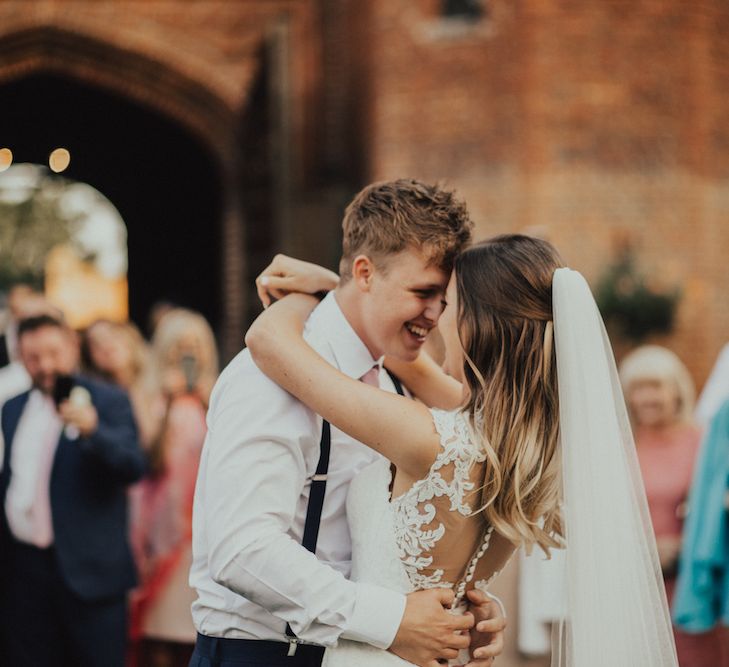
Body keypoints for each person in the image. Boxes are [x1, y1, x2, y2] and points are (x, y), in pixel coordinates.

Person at [246, 233, 679, 666]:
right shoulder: (526, 448)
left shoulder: (429, 437)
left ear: (476, 323)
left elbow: (267, 342)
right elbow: (408, 361)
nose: (435, 317)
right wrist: (343, 288)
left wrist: (300, 298)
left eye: (449, 305)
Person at [189, 179, 504, 667]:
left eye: (443, 300)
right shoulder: (271, 374)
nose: (435, 316)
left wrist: (460, 613)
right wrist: (392, 620)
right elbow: (242, 548)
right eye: (423, 292)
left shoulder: (398, 378)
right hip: (266, 655)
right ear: (364, 273)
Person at [0, 314, 146, 666]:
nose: (46, 365)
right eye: (34, 357)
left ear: (72, 347)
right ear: (20, 356)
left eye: (53, 352)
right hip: (24, 574)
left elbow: (133, 467)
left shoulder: (109, 400)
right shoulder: (13, 407)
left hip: (90, 577)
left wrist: (95, 431)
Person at [620, 345, 723, 666]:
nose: (646, 398)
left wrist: (683, 547)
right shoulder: (622, 444)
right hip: (634, 580)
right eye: (638, 388)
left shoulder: (704, 442)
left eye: (655, 387)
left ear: (677, 392)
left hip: (690, 581)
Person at [131, 308, 218, 667]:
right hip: (162, 530)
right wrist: (166, 404)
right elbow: (146, 459)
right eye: (179, 346)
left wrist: (203, 400)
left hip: (202, 529)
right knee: (161, 629)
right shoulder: (149, 396)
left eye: (194, 345)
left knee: (196, 629)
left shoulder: (216, 393)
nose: (188, 353)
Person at [82, 319, 166, 450]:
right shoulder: (95, 398)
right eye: (95, 344)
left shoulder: (161, 381)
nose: (105, 345)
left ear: (128, 336)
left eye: (111, 335)